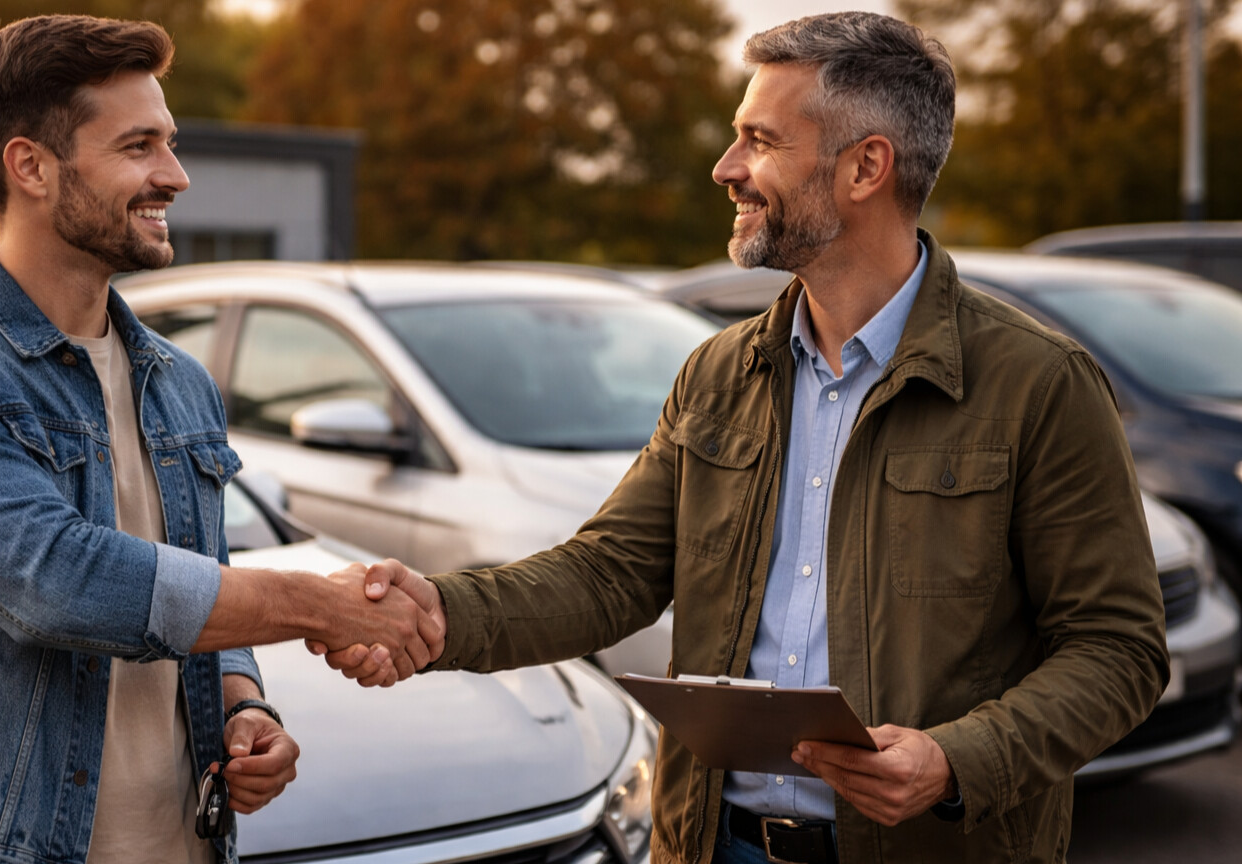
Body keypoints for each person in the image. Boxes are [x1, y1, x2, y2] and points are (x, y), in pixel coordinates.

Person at [317, 12, 1168, 864]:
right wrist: (441, 614)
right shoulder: (720, 372)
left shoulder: (1039, 384)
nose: (726, 169)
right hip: (713, 846)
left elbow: (1118, 649)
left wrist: (955, 762)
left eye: (760, 141)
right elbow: (611, 573)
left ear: (866, 167)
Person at [0, 15, 437, 864]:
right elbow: (59, 581)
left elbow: (201, 581)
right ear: (31, 167)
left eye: (170, 143)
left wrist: (245, 705)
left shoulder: (179, 381)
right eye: (139, 146)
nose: (175, 176)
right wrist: (320, 604)